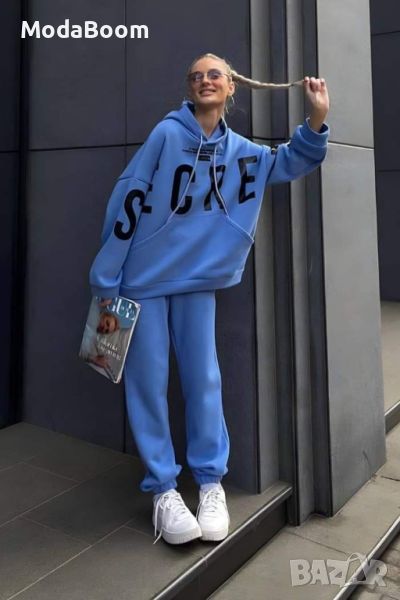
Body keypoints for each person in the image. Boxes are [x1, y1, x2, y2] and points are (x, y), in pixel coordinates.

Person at [89, 52, 330, 546]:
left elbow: (287, 162)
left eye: (214, 74)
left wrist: (316, 118)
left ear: (231, 86)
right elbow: (129, 198)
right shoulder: (167, 134)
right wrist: (106, 279)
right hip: (142, 281)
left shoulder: (241, 150)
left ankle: (209, 482)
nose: (205, 81)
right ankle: (162, 489)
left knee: (204, 379)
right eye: (196, 76)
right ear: (189, 87)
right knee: (147, 383)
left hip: (197, 280)